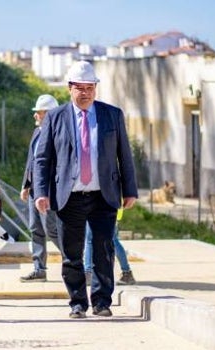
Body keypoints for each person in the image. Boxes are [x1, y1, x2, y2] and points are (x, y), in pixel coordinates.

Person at [33, 61, 138, 319]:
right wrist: (41, 192)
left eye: (90, 87)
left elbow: (124, 155)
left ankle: (102, 302)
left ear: (95, 88)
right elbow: (43, 158)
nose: (85, 93)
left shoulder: (112, 115)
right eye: (79, 87)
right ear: (69, 88)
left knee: (104, 250)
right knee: (72, 254)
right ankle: (77, 303)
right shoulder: (56, 117)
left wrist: (130, 190)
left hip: (104, 195)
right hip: (69, 196)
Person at [19, 94, 62, 282]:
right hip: (34, 191)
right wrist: (25, 185)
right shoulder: (37, 132)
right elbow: (32, 161)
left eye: (39, 112)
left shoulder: (59, 134)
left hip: (49, 191)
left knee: (51, 229)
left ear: (50, 114)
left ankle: (75, 262)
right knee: (35, 228)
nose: (35, 116)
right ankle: (39, 268)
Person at [84, 208, 136, 286]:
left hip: (96, 206)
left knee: (90, 240)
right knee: (113, 239)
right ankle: (127, 272)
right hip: (112, 207)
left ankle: (88, 273)